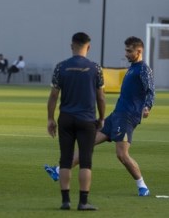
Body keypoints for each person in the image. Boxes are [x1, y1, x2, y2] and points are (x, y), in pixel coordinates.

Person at [45, 36, 155, 197]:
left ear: (139, 51)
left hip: (127, 116)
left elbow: (150, 89)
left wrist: (147, 106)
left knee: (122, 154)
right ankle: (57, 171)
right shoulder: (132, 68)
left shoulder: (144, 69)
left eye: (129, 51)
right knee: (87, 144)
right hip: (116, 115)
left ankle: (142, 186)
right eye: (126, 50)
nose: (126, 54)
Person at [46, 32, 105, 211]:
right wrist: (101, 118)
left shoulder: (61, 67)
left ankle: (65, 201)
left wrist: (50, 118)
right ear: (89, 46)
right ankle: (83, 202)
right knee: (85, 160)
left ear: (72, 46)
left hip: (66, 118)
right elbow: (101, 97)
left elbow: (54, 96)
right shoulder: (96, 68)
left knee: (65, 159)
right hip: (87, 120)